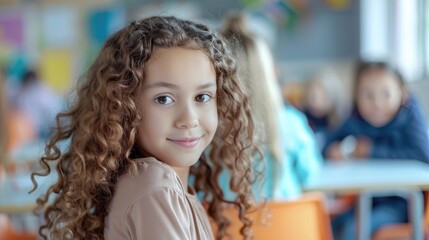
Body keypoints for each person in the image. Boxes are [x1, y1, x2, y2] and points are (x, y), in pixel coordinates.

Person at [31, 16, 260, 240]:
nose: (189, 119)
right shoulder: (156, 189)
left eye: (202, 96)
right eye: (164, 99)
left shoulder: (157, 183)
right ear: (124, 108)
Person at [219, 13, 322, 201]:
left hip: (218, 229)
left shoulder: (199, 132)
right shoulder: (291, 124)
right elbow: (310, 176)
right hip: (285, 229)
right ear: (269, 73)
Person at [324, 61, 429, 240]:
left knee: (352, 230)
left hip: (401, 203)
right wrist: (332, 150)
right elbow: (328, 142)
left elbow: (422, 154)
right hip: (361, 200)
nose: (377, 103)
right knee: (329, 225)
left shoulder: (410, 114)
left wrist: (371, 151)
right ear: (356, 96)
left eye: (386, 94)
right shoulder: (355, 116)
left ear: (402, 94)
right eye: (368, 95)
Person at [302, 68, 348, 150]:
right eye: (313, 97)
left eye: (324, 98)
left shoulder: (341, 123)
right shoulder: (301, 119)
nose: (316, 103)